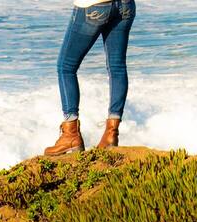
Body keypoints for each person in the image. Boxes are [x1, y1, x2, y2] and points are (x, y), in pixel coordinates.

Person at [45, 0, 136, 155]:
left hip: (94, 6)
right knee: (117, 66)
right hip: (126, 5)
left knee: (65, 67)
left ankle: (70, 134)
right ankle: (111, 133)